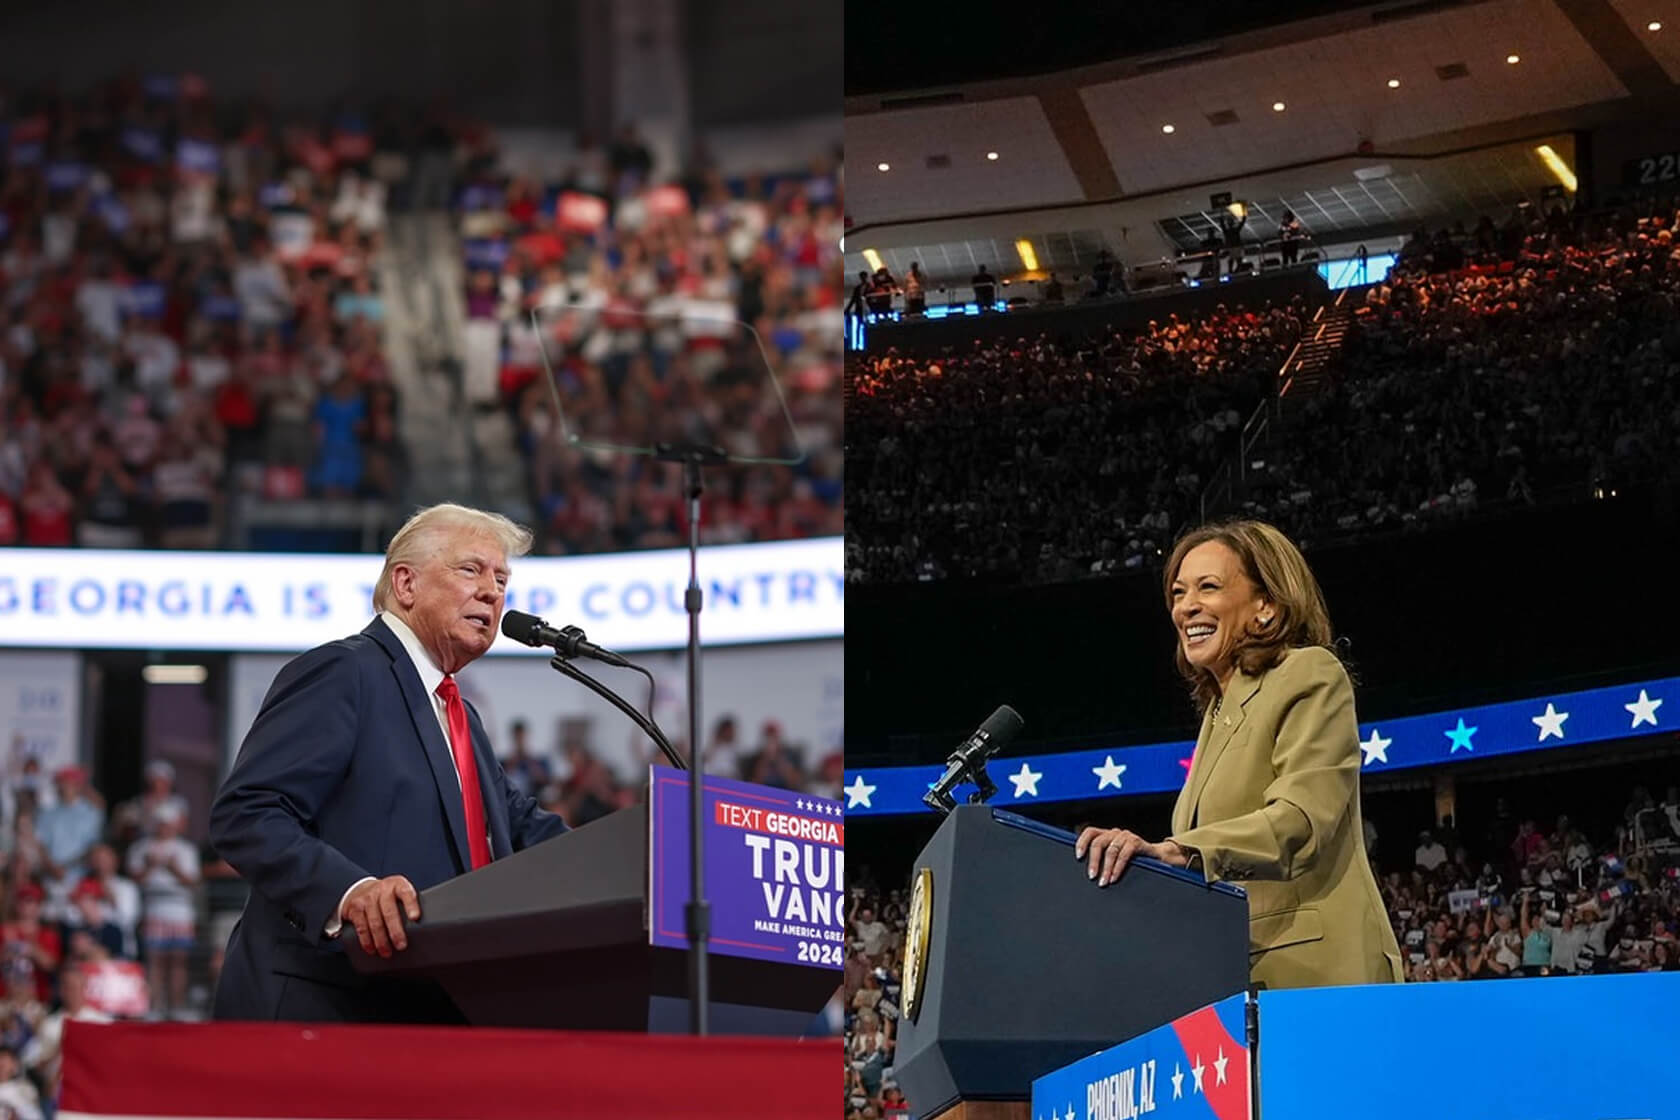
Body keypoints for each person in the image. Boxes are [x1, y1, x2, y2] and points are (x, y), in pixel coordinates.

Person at [208, 503, 570, 1023]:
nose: (492, 591)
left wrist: (650, 852)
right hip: (322, 1009)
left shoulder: (458, 713)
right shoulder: (346, 671)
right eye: (471, 570)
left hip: (421, 1010)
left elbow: (518, 829)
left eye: (501, 578)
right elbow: (246, 812)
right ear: (406, 584)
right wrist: (349, 892)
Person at [1074, 520, 1403, 989]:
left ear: (1265, 606)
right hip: (1237, 985)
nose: (1186, 607)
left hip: (1320, 978)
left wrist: (1179, 849)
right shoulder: (1216, 712)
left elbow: (1301, 819)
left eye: (1208, 587)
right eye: (1178, 592)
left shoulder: (1309, 673)